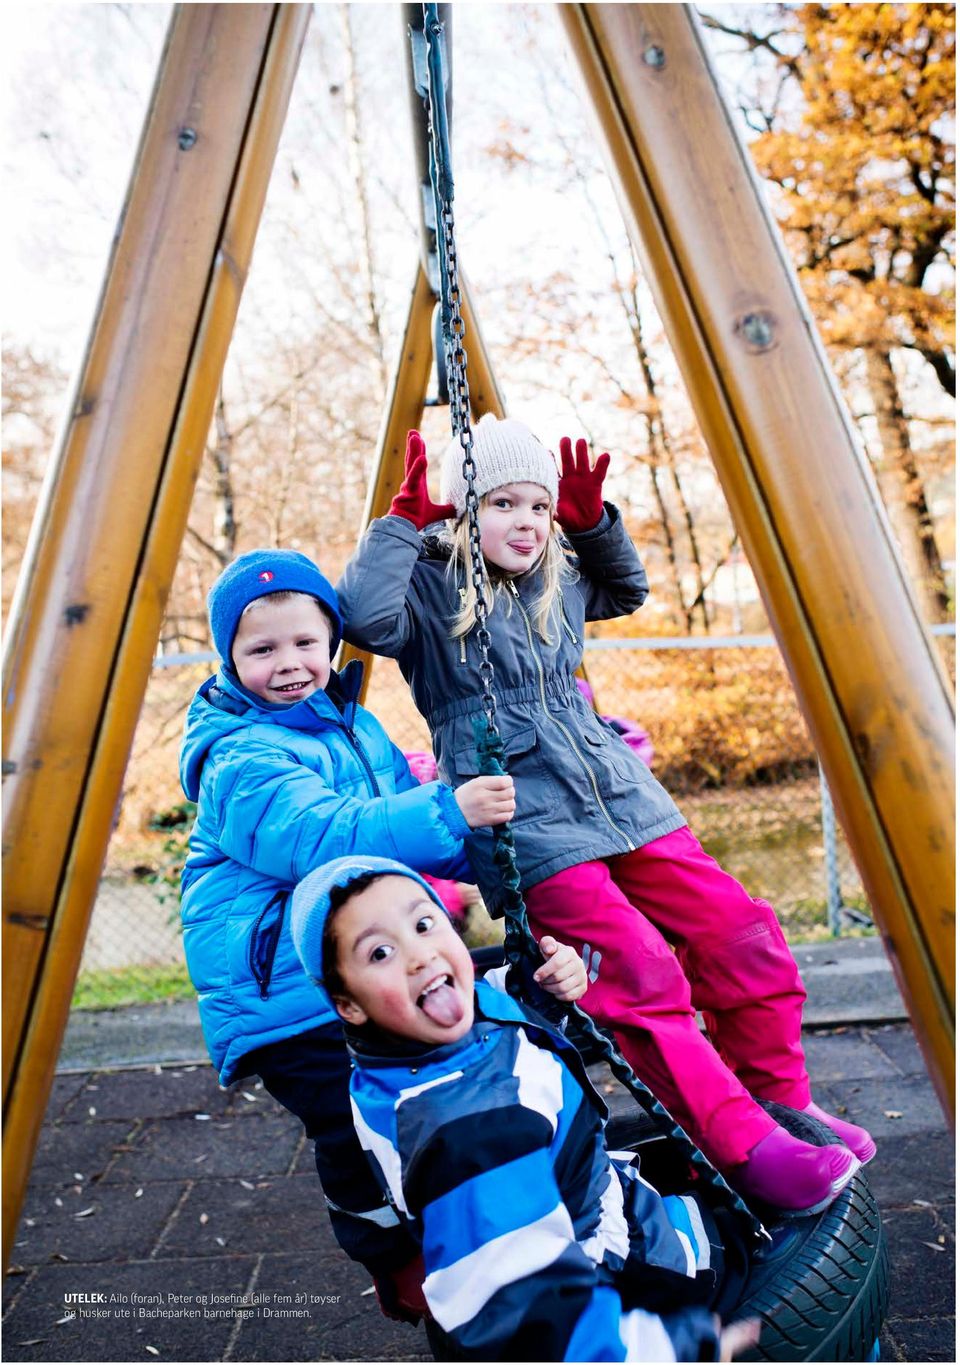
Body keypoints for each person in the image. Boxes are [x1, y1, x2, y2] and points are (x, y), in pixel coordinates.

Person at [336, 415, 876, 1217]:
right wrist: (402, 526)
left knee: (745, 934)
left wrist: (592, 524)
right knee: (638, 974)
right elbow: (365, 621)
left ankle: (781, 1107)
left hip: (620, 794)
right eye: (502, 504)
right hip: (530, 815)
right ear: (461, 510)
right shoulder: (426, 577)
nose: (525, 522)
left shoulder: (556, 568)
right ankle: (742, 1148)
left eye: (538, 506)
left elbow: (625, 589)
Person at [177, 546, 517, 1306]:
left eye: (305, 642)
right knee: (350, 1126)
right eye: (262, 648)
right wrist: (444, 806)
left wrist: (503, 860)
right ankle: (391, 1258)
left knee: (497, 1005)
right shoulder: (238, 758)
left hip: (363, 968)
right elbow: (321, 835)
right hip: (286, 996)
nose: (289, 663)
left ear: (331, 642)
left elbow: (424, 832)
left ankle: (488, 1201)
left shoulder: (358, 730)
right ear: (230, 660)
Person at [290, 854, 761, 1364]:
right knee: (746, 1252)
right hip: (606, 1272)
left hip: (570, 1199)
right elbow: (529, 1310)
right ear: (348, 1005)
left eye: (423, 924)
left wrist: (541, 984)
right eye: (380, 953)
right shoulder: (473, 1134)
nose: (419, 956)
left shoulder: (407, 1046)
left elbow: (492, 1005)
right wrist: (676, 1349)